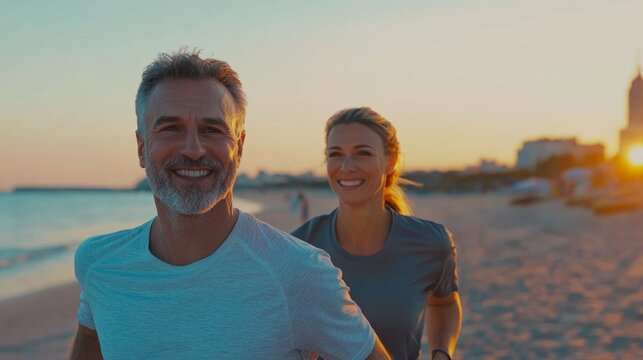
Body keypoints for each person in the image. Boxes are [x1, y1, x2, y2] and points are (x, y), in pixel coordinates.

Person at [69, 51, 391, 360]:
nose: (193, 149)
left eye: (212, 130)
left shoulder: (298, 273)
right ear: (141, 147)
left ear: (238, 148)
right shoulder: (99, 264)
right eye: (171, 129)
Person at [292, 107, 462, 360]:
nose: (347, 167)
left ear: (391, 161)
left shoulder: (431, 243)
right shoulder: (299, 247)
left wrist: (441, 353)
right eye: (335, 154)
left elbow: (445, 302)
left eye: (363, 153)